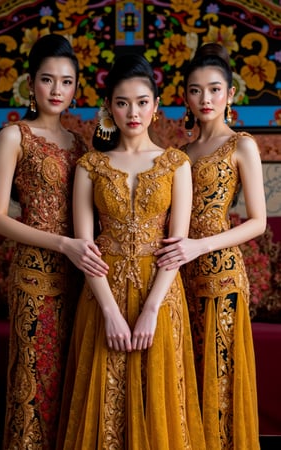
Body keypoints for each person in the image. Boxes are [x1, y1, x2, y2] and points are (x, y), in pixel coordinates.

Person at [56, 53, 206, 449]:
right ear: (109, 108)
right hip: (102, 295)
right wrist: (108, 312)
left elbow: (177, 246)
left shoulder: (177, 164)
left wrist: (153, 309)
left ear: (156, 107)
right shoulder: (90, 165)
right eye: (122, 103)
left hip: (160, 295)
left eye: (142, 102)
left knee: (160, 406)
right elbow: (86, 249)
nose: (132, 112)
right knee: (103, 408)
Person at [0, 34, 96, 449]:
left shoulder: (80, 144)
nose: (56, 90)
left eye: (66, 82)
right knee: (33, 382)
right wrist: (62, 244)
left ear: (75, 87)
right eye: (47, 80)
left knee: (72, 382)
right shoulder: (15, 136)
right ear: (31, 83)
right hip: (34, 277)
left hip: (78, 279)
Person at [155, 43, 266, 449]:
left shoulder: (242, 145)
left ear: (231, 94)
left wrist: (200, 247)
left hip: (221, 276)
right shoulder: (178, 154)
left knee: (220, 383)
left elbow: (258, 222)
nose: (206, 99)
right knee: (186, 381)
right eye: (196, 90)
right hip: (179, 278)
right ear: (184, 96)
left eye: (216, 89)